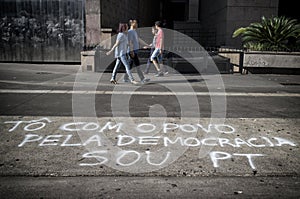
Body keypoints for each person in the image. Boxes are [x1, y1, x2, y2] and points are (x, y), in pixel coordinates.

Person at [124, 19, 150, 83]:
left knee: (130, 65)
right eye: (136, 23)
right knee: (137, 65)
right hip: (132, 51)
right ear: (132, 24)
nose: (137, 24)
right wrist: (131, 51)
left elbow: (138, 40)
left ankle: (125, 78)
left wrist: (147, 45)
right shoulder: (130, 32)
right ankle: (142, 79)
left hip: (134, 51)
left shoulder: (134, 31)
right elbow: (130, 42)